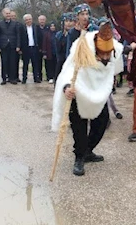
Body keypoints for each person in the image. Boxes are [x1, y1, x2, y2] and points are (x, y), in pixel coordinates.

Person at [52, 18, 123, 176]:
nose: (105, 57)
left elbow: (121, 52)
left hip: (98, 94)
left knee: (102, 121)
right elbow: (68, 72)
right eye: (102, 53)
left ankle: (88, 151)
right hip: (79, 93)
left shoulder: (113, 49)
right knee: (79, 128)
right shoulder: (82, 48)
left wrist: (131, 47)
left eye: (107, 54)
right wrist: (66, 87)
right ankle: (79, 157)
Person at [0, 8, 21, 84]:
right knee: (4, 62)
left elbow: (18, 35)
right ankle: (4, 78)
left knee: (12, 62)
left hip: (13, 45)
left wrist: (18, 46)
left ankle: (12, 78)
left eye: (9, 13)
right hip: (3, 46)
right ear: (3, 14)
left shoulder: (15, 24)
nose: (8, 15)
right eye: (6, 13)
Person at [54, 13, 75, 81]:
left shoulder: (76, 34)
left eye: (70, 21)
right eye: (66, 21)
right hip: (61, 61)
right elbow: (57, 50)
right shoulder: (59, 35)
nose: (68, 23)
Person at [21, 14, 40, 84]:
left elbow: (39, 37)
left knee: (35, 64)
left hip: (34, 47)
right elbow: (20, 38)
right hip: (26, 48)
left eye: (30, 19)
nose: (28, 21)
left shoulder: (35, 27)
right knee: (25, 64)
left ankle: (36, 78)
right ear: (24, 21)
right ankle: (24, 78)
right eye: (27, 20)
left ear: (32, 19)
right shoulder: (22, 28)